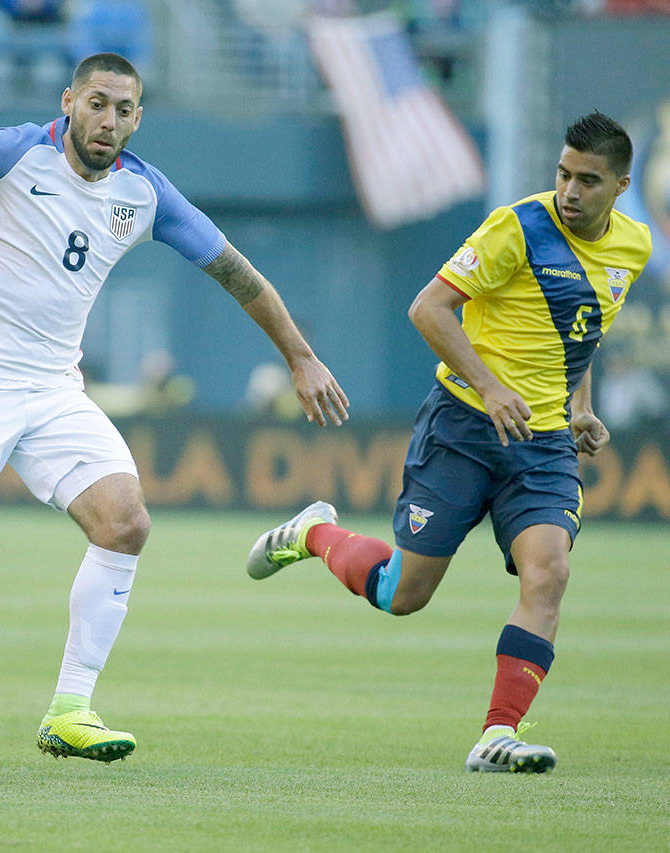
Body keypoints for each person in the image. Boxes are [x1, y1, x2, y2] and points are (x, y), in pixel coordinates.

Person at [0, 53, 349, 762]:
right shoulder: (20, 150)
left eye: (125, 109)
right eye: (98, 103)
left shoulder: (146, 193)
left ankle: (70, 707)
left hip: (52, 389)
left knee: (125, 521)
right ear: (69, 101)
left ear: (137, 118)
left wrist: (299, 355)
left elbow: (237, 273)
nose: (109, 120)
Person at [245, 112, 651, 774]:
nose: (571, 191)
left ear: (621, 185)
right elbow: (427, 308)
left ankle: (498, 732)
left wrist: (579, 406)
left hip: (543, 442)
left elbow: (585, 329)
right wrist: (491, 387)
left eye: (588, 180)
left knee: (549, 571)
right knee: (404, 593)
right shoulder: (516, 228)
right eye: (563, 174)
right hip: (462, 427)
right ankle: (315, 534)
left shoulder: (630, 247)